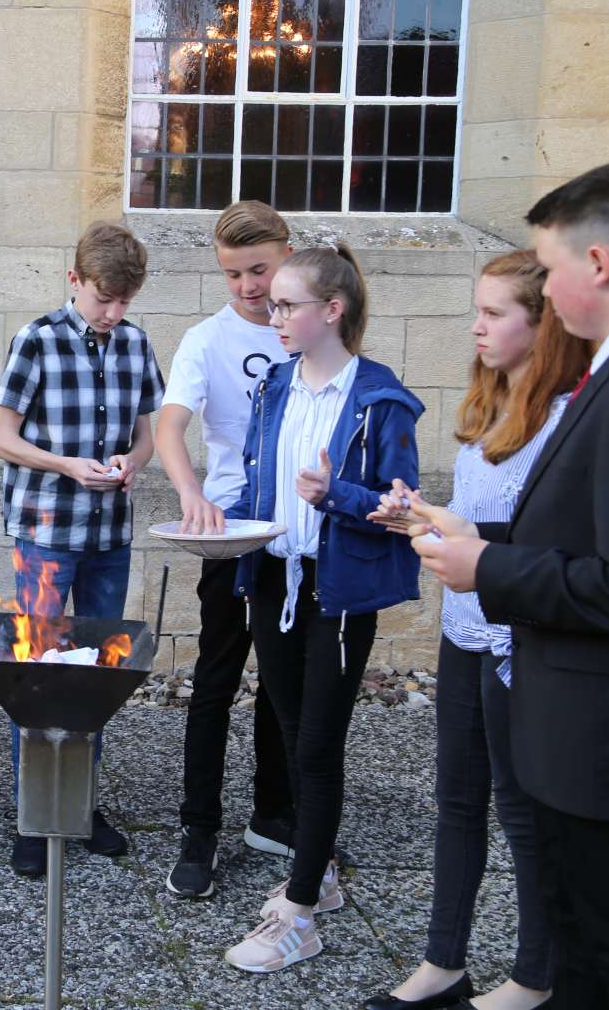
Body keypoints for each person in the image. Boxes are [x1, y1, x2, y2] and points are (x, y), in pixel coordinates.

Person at [410, 162, 609, 1009]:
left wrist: (490, 570)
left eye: (549, 271)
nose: (545, 293)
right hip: (595, 738)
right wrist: (484, 536)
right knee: (585, 958)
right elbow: (601, 534)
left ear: (598, 263)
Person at [360, 251, 590, 1010]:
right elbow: (483, 518)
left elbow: (552, 542)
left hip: (521, 639)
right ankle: (443, 965)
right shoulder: (486, 402)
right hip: (465, 627)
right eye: (478, 309)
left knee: (523, 813)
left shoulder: (568, 420)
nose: (476, 325)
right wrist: (420, 515)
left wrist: (463, 530)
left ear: (542, 323)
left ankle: (534, 978)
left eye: (494, 313)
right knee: (456, 802)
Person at [220, 244, 424, 974]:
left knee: (316, 747)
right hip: (272, 582)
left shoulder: (379, 399)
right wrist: (220, 528)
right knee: (290, 727)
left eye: (284, 305)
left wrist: (338, 495)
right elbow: (256, 485)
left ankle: (299, 911)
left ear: (330, 310)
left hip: (336, 592)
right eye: (270, 304)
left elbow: (405, 508)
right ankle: (320, 873)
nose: (270, 315)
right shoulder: (275, 385)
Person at [0, 221, 165, 878]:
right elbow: (2, 438)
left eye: (124, 301)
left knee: (96, 678)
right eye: (103, 299)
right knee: (36, 676)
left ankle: (81, 808)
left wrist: (130, 462)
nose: (114, 312)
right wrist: (66, 465)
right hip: (45, 536)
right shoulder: (35, 340)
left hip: (108, 538)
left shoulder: (136, 343)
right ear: (75, 281)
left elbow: (148, 437)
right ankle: (35, 816)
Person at [156, 201, 297, 898]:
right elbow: (170, 427)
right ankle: (199, 829)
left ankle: (274, 815)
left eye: (259, 270)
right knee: (215, 681)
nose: (247, 285)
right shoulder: (204, 340)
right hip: (230, 531)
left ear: (288, 256)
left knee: (283, 681)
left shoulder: (311, 327)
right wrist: (192, 493)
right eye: (233, 274)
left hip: (297, 533)